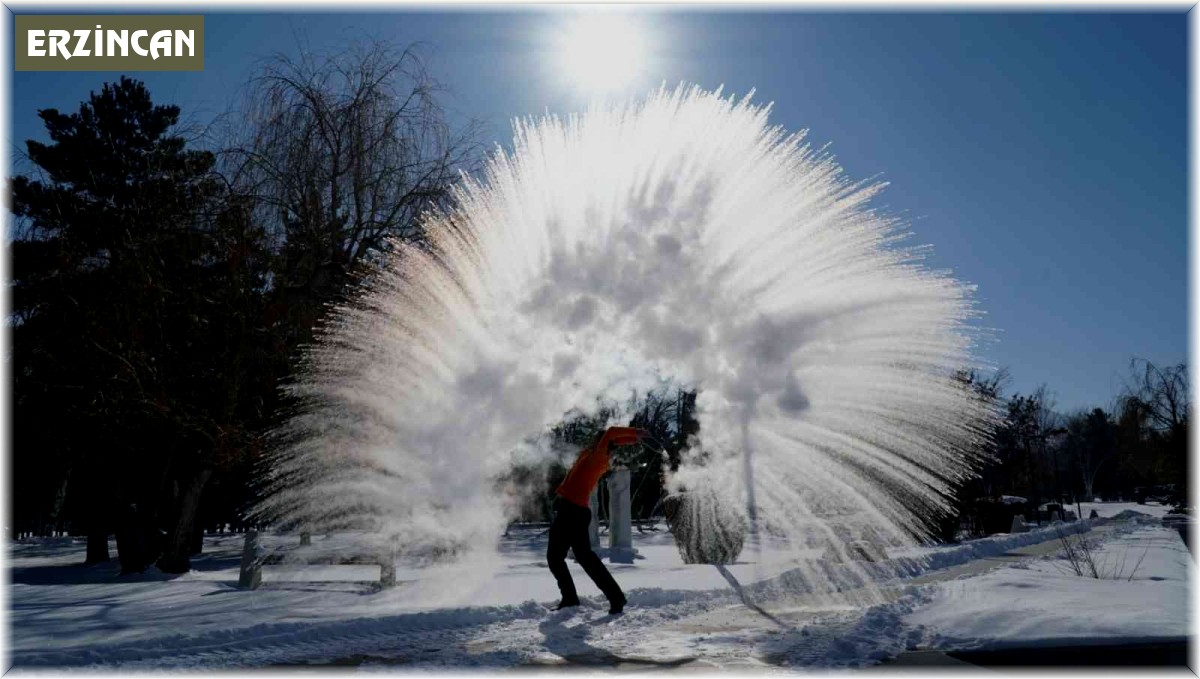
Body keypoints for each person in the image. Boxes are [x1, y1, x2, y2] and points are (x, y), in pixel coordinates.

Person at [548, 425, 645, 614]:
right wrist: (633, 440)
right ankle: (615, 597)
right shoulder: (593, 454)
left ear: (602, 444)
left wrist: (635, 432)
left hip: (571, 511)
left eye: (597, 440)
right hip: (575, 511)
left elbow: (610, 434)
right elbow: (613, 439)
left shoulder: (598, 458)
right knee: (586, 559)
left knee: (554, 557)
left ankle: (570, 598)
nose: (593, 440)